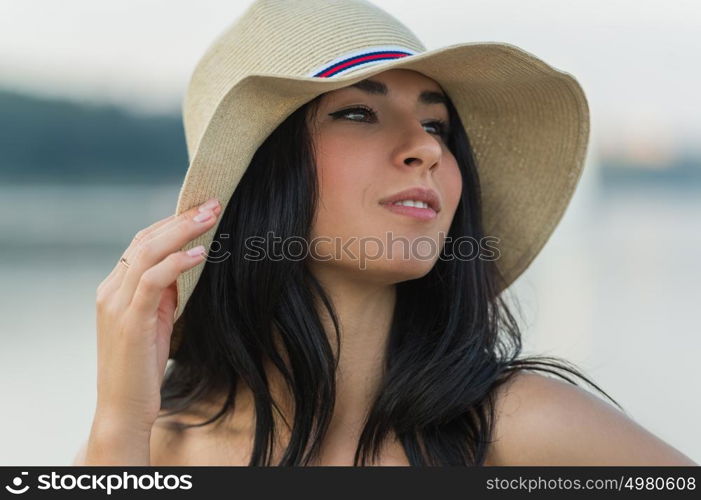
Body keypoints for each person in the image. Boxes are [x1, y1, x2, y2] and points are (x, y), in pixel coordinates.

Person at [76, 0, 697, 466]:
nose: (425, 146)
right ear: (256, 173)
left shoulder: (520, 430)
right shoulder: (153, 448)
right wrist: (119, 422)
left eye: (438, 125)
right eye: (357, 112)